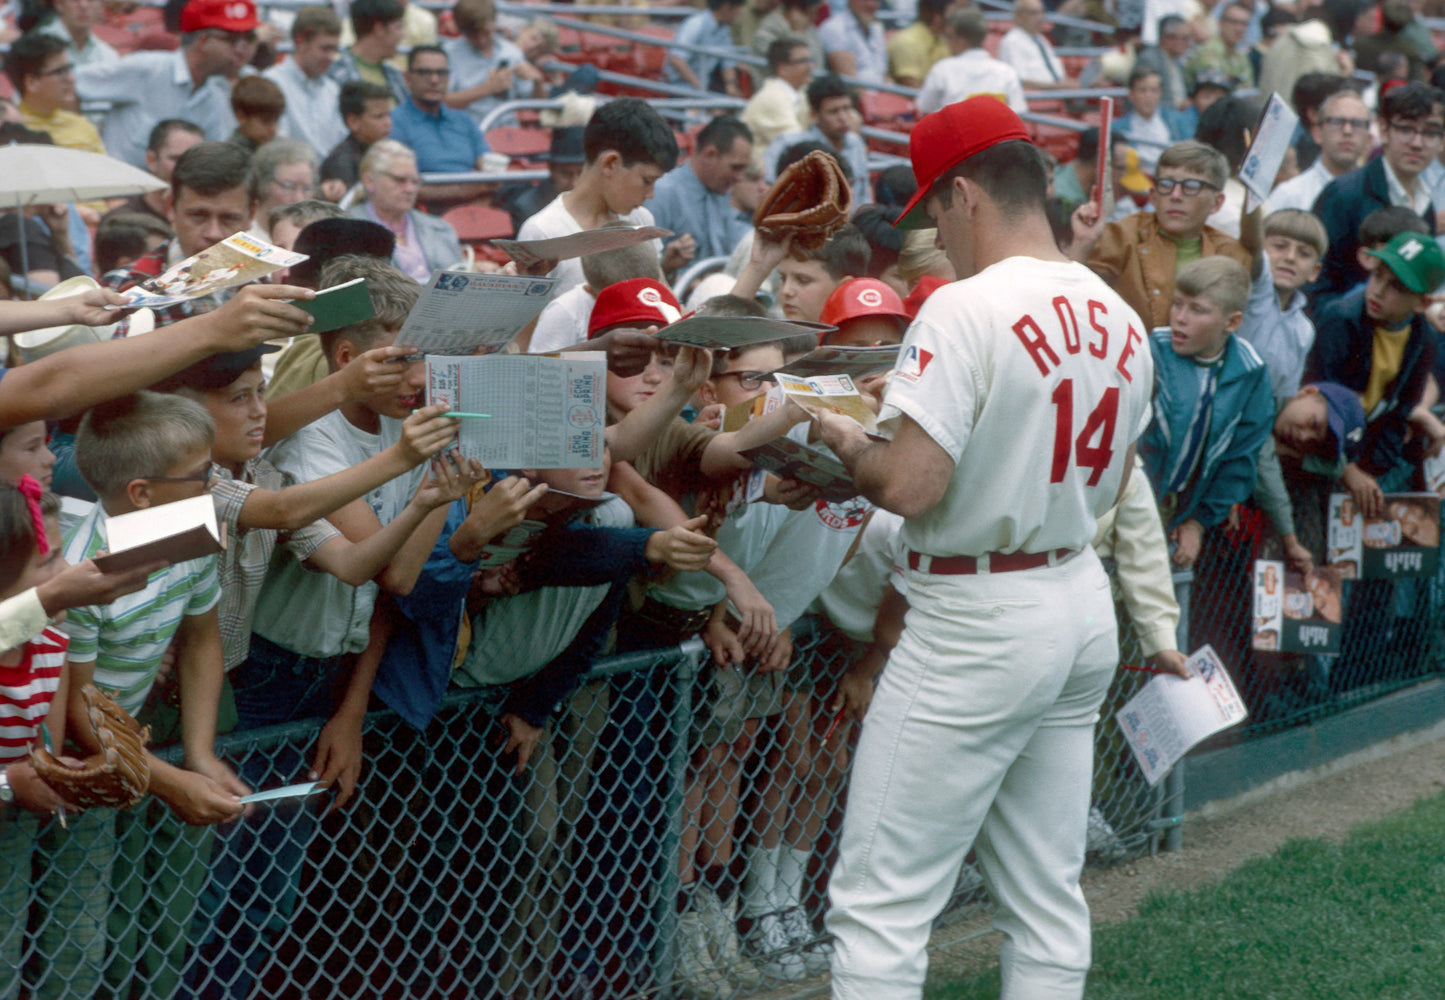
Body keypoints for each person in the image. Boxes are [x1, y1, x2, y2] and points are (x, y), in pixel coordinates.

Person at [813, 95, 1156, 1000]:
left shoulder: (963, 307)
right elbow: (1115, 487)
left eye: (932, 206)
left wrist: (840, 438)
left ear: (963, 194)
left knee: (879, 906)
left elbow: (908, 487)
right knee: (1045, 895)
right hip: (1077, 595)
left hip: (976, 612)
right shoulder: (1119, 312)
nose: (931, 226)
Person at [63, 393, 252, 998]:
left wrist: (199, 753)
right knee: (84, 938)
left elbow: (201, 640)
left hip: (137, 741)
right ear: (141, 493)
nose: (215, 484)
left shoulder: (190, 533)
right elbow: (79, 706)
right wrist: (171, 783)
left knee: (164, 925)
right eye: (203, 475)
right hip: (82, 761)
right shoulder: (84, 570)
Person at [1138, 256, 1273, 568]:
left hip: (1183, 514)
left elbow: (1240, 458)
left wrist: (1197, 523)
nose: (1180, 318)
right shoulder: (1150, 350)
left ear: (1232, 322)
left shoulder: (1250, 373)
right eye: (1177, 304)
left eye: (1197, 310)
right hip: (1134, 503)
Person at [1305, 230, 1445, 516]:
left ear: (1422, 303)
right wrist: (1349, 469)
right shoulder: (1340, 320)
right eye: (1377, 275)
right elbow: (1321, 401)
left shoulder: (1423, 338)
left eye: (1396, 287)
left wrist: (1371, 473)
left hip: (1366, 449)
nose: (1378, 290)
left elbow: (1400, 411)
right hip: (1317, 446)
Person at [1081, 139, 1253, 331]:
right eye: (1166, 184)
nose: (1176, 195)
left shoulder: (1230, 255)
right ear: (1153, 196)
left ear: (1217, 203)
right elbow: (1077, 300)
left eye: (1191, 186)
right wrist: (1082, 243)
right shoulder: (1122, 237)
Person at [517, 97, 682, 294]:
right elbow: (528, 324)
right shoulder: (543, 233)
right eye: (647, 181)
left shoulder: (641, 220)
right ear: (610, 164)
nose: (651, 194)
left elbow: (664, 303)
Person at [74, 0, 257, 169]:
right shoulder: (146, 69)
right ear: (203, 41)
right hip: (118, 193)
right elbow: (69, 82)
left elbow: (216, 161)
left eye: (247, 38)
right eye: (232, 40)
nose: (241, 49)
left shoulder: (217, 95)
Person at [1309, 81, 1443, 307]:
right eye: (1406, 129)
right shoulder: (1345, 195)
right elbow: (1315, 287)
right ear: (1383, 130)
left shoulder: (1424, 202)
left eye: (1431, 132)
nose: (1417, 143)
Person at [1240, 208, 1327, 407]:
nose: (1290, 257)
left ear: (1314, 271)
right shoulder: (1253, 293)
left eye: (1304, 253)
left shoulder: (1304, 330)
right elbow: (1250, 242)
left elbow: (1283, 396)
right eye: (1280, 246)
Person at [388, 44, 490, 208]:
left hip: (476, 206)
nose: (434, 80)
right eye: (424, 73)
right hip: (426, 210)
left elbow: (489, 168)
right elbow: (399, 185)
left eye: (441, 73)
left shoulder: (464, 119)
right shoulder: (395, 122)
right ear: (407, 78)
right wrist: (463, 191)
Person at [350, 139, 464, 282]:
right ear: (369, 181)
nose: (410, 189)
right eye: (399, 180)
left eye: (415, 181)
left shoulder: (440, 228)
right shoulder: (347, 232)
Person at [646, 116, 753, 263]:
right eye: (735, 167)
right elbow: (645, 269)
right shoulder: (662, 193)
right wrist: (668, 266)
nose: (739, 177)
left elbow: (736, 243)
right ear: (709, 154)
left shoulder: (722, 190)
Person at [763, 75, 870, 203]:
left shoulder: (856, 143)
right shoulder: (788, 144)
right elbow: (769, 190)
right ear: (814, 115)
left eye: (847, 109)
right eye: (833, 112)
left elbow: (863, 196)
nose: (843, 118)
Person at [1264, 87, 1368, 213]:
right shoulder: (1290, 196)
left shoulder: (1378, 193)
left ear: (1368, 136)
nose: (1347, 131)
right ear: (1317, 133)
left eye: (1357, 123)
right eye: (1337, 122)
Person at [441, 0, 544, 127]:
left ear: (494, 23)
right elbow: (441, 102)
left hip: (506, 131)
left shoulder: (511, 52)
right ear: (461, 30)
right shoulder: (449, 54)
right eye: (472, 34)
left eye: (485, 32)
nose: (480, 39)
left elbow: (537, 107)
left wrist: (538, 82)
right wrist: (487, 88)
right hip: (465, 131)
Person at [263, 5, 346, 159]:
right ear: (301, 42)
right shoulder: (272, 82)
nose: (331, 57)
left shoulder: (332, 89)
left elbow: (339, 142)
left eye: (334, 49)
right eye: (325, 48)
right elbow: (277, 146)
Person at [8, 32, 104, 155]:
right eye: (60, 72)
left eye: (69, 69)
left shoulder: (83, 127)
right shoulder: (9, 129)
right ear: (32, 82)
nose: (70, 79)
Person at [917, 8, 1028, 116]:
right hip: (995, 133)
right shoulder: (1007, 72)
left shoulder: (942, 69)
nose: (947, 42)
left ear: (960, 39)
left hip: (956, 133)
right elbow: (1018, 114)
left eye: (948, 37)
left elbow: (926, 110)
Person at [102, 119, 204, 230]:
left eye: (196, 159)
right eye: (176, 159)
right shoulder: (122, 223)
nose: (187, 167)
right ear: (152, 160)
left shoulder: (212, 221)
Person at [498, 125, 585, 233]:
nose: (574, 183)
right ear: (551, 169)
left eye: (581, 174)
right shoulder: (527, 208)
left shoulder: (598, 200)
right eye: (566, 174)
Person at [319, 79, 393, 199]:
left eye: (388, 115)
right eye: (379, 116)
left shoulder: (386, 153)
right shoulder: (340, 163)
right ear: (353, 122)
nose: (388, 123)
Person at [327, 0, 409, 105]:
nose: (402, 35)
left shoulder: (395, 75)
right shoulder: (336, 75)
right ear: (379, 29)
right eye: (398, 27)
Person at [742, 38, 814, 155]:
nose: (811, 67)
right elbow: (799, 145)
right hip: (757, 169)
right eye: (803, 61)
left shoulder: (800, 93)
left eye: (811, 60)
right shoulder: (772, 97)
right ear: (783, 68)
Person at [1114, 66, 1190, 173]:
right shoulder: (1117, 128)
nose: (1148, 96)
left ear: (1160, 93)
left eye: (1154, 91)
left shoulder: (1177, 120)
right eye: (1142, 90)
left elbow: (1189, 153)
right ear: (1131, 94)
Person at [666, 0, 745, 96]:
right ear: (726, 7)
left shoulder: (724, 28)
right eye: (738, 8)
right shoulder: (696, 24)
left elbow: (727, 63)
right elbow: (676, 58)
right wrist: (700, 87)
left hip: (703, 88)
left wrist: (731, 85)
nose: (739, 13)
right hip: (680, 88)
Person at [245, 139, 318, 241]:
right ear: (263, 184)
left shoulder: (315, 238)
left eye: (307, 188)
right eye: (288, 187)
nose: (299, 198)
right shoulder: (242, 234)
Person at [997, 0, 1077, 89]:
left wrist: (1068, 83)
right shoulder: (1011, 42)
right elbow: (1019, 80)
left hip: (1057, 95)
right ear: (1018, 15)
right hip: (1036, 99)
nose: (1040, 17)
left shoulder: (1041, 39)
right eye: (1033, 13)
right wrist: (1056, 87)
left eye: (1042, 12)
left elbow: (1056, 73)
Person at [1186, 1, 1255, 87]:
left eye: (1244, 24)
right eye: (1233, 22)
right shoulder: (1207, 51)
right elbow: (1215, 91)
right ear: (1221, 23)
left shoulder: (1241, 57)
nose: (1239, 29)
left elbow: (1247, 88)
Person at [818, 0, 887, 84]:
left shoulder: (877, 29)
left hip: (882, 93)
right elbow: (852, 85)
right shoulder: (834, 29)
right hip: (860, 95)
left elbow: (885, 75)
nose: (870, 4)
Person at [35, 0, 118, 69]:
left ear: (101, 6)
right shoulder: (36, 46)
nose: (83, 5)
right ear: (59, 4)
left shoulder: (108, 56)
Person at [1134, 14, 1193, 110]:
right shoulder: (1149, 59)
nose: (1188, 43)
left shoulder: (1178, 62)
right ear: (1168, 38)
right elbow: (1147, 100)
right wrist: (1178, 107)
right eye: (1185, 38)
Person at [887, 0, 951, 89]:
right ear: (937, 18)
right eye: (957, 11)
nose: (960, 17)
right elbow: (913, 90)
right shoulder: (907, 42)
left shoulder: (943, 40)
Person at [227, 74, 285, 153]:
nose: (273, 129)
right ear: (241, 117)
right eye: (266, 121)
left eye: (276, 120)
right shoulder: (230, 156)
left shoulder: (279, 148)